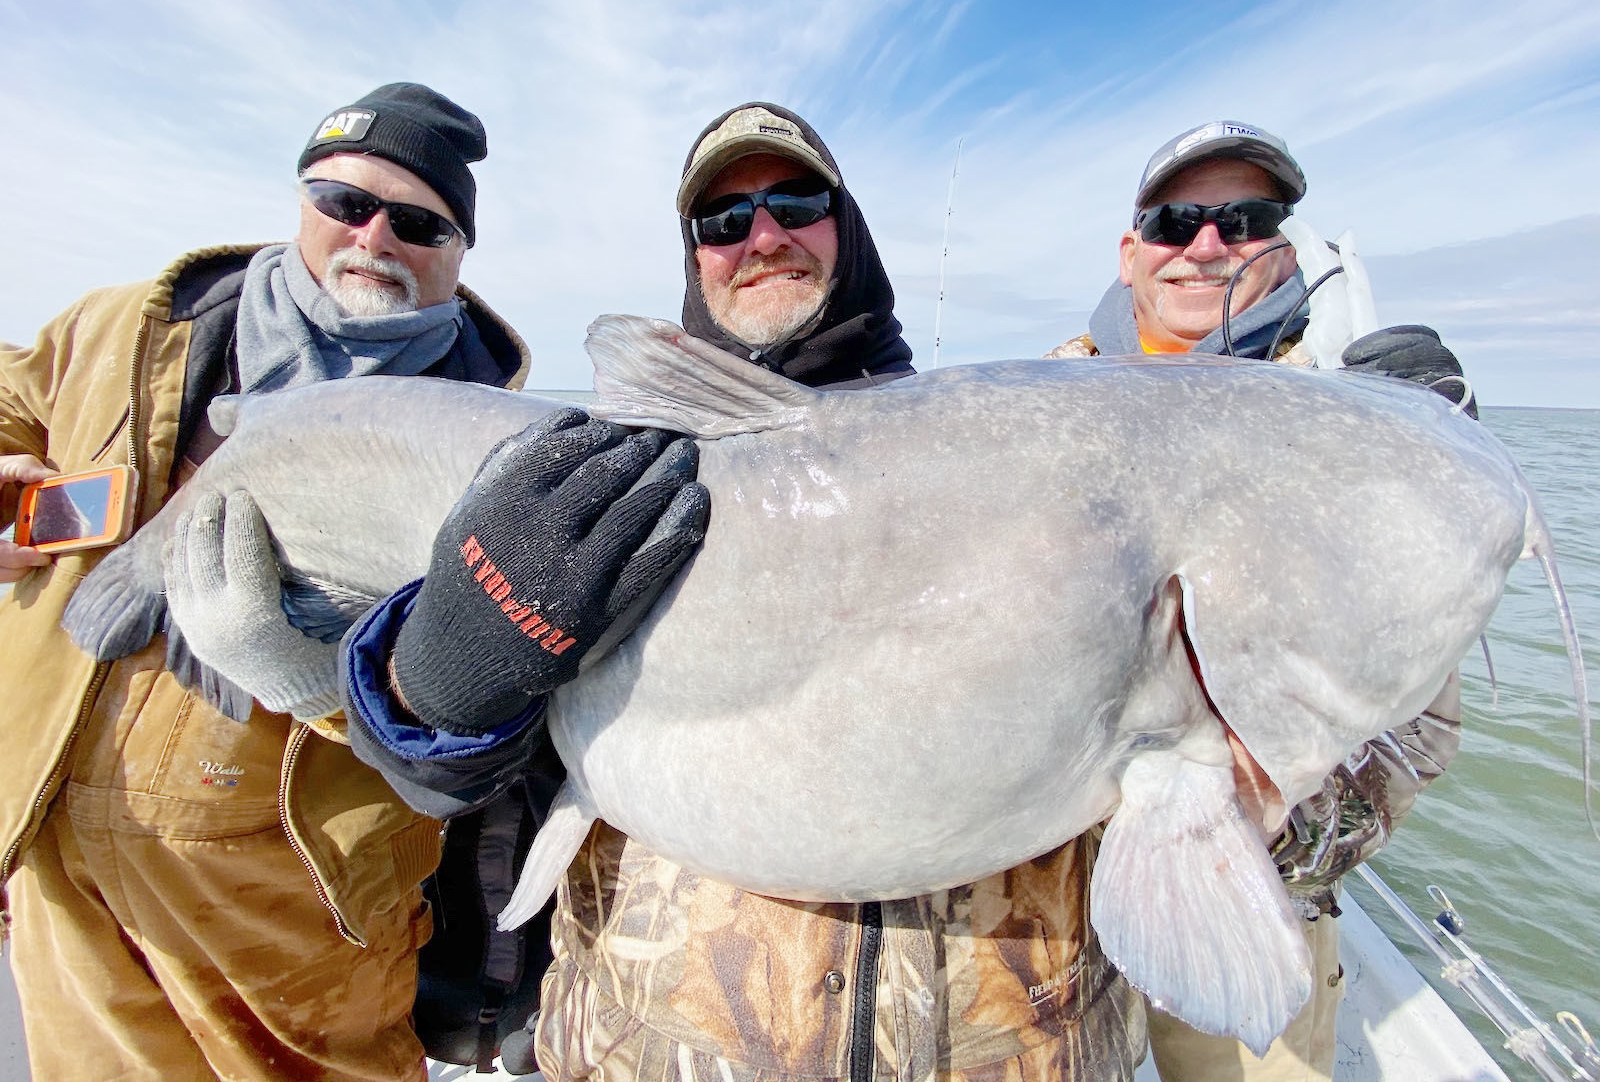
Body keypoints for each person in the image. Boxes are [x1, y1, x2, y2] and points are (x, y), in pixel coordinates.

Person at [331, 101, 1149, 1081]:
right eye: (721, 221)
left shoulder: (1022, 460)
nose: (761, 236)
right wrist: (439, 686)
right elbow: (447, 782)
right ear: (694, 258)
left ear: (847, 230)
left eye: (795, 201)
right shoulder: (614, 472)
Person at [0, 81, 700, 1081]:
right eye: (345, 202)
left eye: (420, 223)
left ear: (460, 257)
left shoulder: (504, 460)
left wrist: (300, 674)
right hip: (60, 881)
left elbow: (466, 725)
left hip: (303, 934)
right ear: (300, 202)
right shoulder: (121, 334)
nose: (376, 235)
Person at [1046, 119, 1467, 1082]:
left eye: (1246, 219)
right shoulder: (1028, 405)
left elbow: (1417, 739)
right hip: (1051, 922)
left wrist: (1431, 496)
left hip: (1252, 900)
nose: (1206, 247)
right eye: (1175, 220)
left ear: (1285, 247)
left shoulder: (1348, 423)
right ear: (1130, 249)